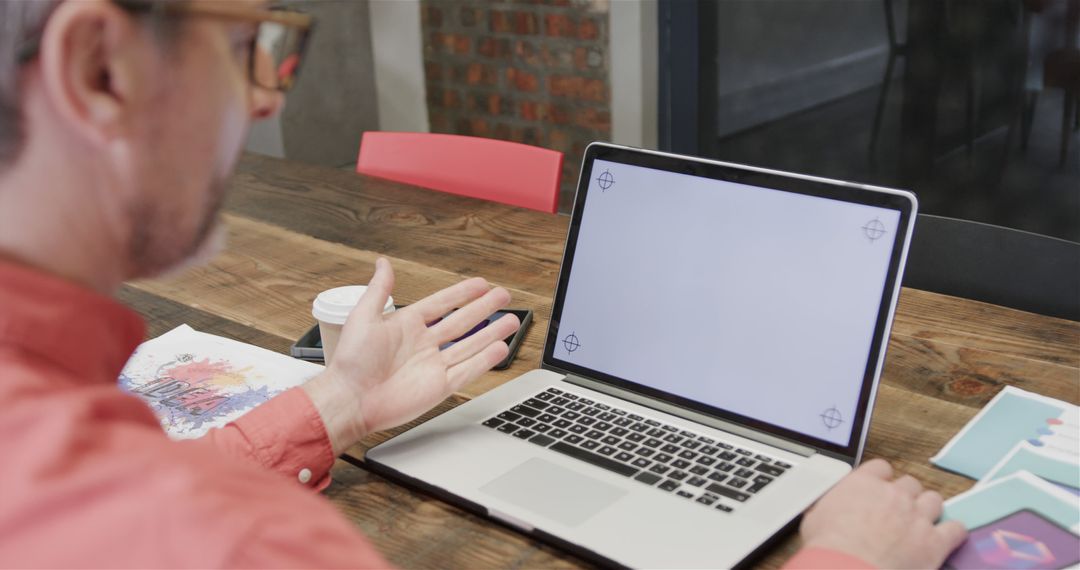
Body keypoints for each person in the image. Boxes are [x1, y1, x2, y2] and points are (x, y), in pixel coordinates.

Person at [0, 0, 967, 567]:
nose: (262, 99)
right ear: (98, 67)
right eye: (252, 42)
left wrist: (335, 402)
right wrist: (845, 559)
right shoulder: (248, 542)